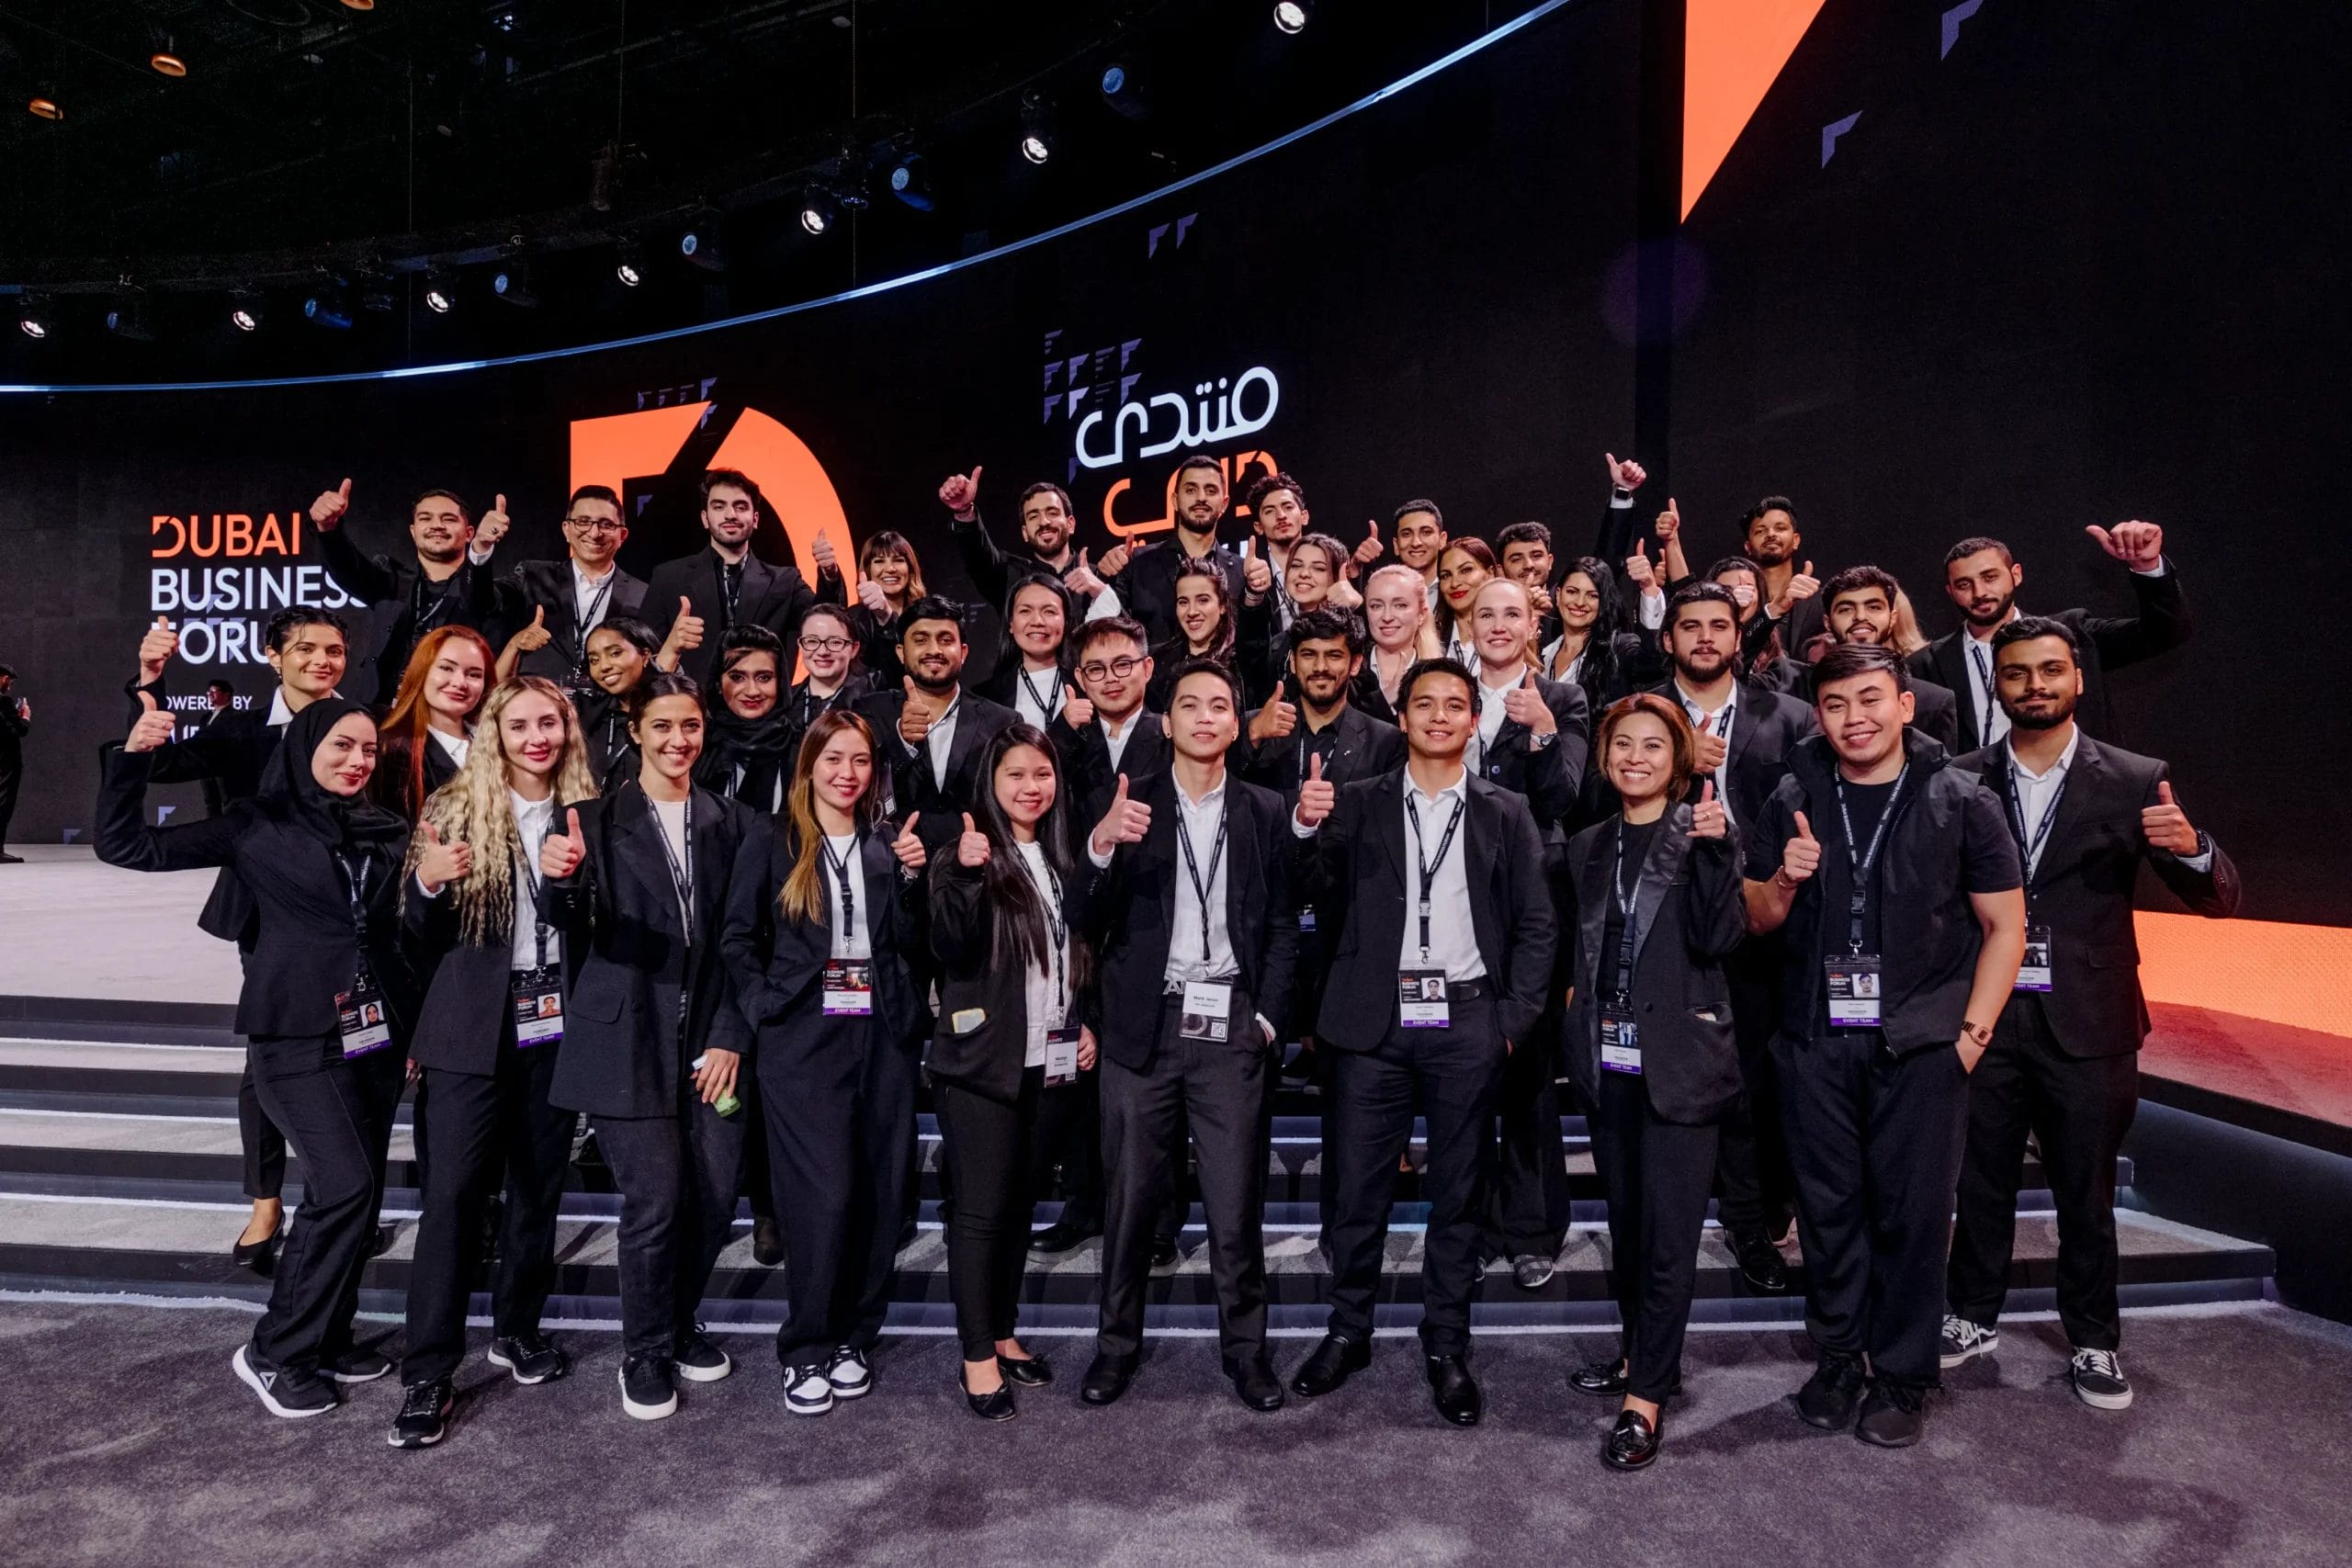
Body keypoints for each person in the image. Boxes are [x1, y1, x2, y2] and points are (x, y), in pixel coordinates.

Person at [1940, 618, 2240, 1410]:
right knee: (1979, 1183)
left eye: (2049, 670)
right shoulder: (1960, 777)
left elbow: (2219, 898)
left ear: (2077, 679)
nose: (2033, 685)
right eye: (2016, 673)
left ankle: (2094, 1339)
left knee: (2086, 1194)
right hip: (1986, 1013)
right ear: (1996, 685)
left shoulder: (2137, 777)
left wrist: (2192, 847)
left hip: (2091, 1020)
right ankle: (1971, 1315)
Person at [1741, 643, 2026, 1447]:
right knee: (1828, 1212)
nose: (1853, 718)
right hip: (1815, 1038)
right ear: (1819, 715)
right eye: (1835, 705)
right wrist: (1785, 878)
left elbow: (2006, 925)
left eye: (1869, 699)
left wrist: (1970, 1037)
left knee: (1915, 1215)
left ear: (1904, 705)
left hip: (1923, 1045)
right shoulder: (1794, 793)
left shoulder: (1960, 797)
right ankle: (1838, 1357)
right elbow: (1755, 914)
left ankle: (1902, 1373)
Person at [98, 695, 414, 1417]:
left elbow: (394, 933)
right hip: (296, 1038)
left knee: (358, 1197)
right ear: (305, 747)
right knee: (345, 1187)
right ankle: (276, 1350)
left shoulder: (386, 828)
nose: (357, 761)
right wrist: (133, 761)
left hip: (374, 1033)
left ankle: (330, 1334)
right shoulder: (256, 824)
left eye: (368, 750)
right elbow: (128, 846)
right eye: (341, 746)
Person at [1287, 659, 1555, 1426]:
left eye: (1455, 705)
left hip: (1469, 1022)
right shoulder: (1356, 799)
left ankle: (1446, 1343)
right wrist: (1303, 825)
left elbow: (1538, 924)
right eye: (1424, 704)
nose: (1439, 715)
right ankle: (1348, 1330)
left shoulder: (1506, 810)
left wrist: (1511, 1024)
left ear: (1474, 720)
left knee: (1459, 1194)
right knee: (1358, 1191)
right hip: (1371, 1025)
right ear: (1401, 718)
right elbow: (1309, 890)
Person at [535, 671, 760, 1424]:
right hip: (626, 1036)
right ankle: (645, 1349)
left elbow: (746, 940)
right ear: (634, 731)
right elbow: (567, 917)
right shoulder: (589, 820)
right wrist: (562, 882)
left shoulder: (736, 822)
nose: (677, 739)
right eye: (661, 725)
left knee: (716, 1196)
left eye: (690, 725)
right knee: (656, 1199)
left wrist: (730, 1034)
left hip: (712, 1038)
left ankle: (679, 1317)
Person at [1078, 660, 1298, 1411]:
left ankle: (1247, 1354)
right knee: (1129, 1203)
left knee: (1235, 1205)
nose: (1205, 717)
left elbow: (1281, 924)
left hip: (1229, 1023)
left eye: (1219, 706)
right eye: (1189, 706)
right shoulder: (1127, 802)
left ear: (1236, 724)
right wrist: (1101, 844)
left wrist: (1266, 1017)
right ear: (1165, 722)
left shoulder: (1264, 807)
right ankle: (1115, 1348)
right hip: (1143, 1026)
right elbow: (1081, 915)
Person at [388, 677, 599, 1448]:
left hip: (555, 1027)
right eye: (520, 725)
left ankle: (516, 1329)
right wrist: (427, 884)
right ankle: (428, 1371)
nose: (537, 737)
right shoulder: (453, 809)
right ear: (495, 735)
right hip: (469, 1033)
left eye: (550, 722)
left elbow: (598, 928)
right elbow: (414, 937)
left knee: (538, 1191)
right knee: (451, 1201)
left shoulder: (590, 812)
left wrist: (576, 884)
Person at [130, 608, 354, 1270]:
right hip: (267, 918)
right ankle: (266, 1200)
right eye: (305, 648)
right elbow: (161, 762)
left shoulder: (365, 723)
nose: (321, 661)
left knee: (351, 1056)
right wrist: (149, 680)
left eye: (334, 650)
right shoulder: (239, 729)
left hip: (354, 915)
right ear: (271, 656)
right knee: (269, 1058)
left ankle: (340, 1197)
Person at [721, 711, 928, 1415]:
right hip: (803, 1038)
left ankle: (853, 1337)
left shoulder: (886, 842)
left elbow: (913, 943)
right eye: (834, 758)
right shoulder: (772, 838)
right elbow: (737, 938)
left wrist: (911, 881)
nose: (848, 773)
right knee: (824, 1195)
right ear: (808, 764)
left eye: (861, 760)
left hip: (885, 1034)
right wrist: (765, 1006)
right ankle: (806, 1344)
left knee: (880, 1194)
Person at [1559, 694, 1745, 1470]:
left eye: (1653, 746)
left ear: (1679, 761)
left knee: (1669, 1237)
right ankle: (1641, 1355)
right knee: (1631, 1228)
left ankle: (1647, 1399)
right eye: (1623, 745)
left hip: (1682, 1062)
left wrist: (1717, 851)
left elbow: (1719, 936)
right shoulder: (1588, 843)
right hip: (1610, 1062)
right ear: (1605, 758)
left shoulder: (1701, 832)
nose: (1636, 757)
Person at [1641, 582, 1818, 1287]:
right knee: (1674, 1081)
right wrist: (1681, 768)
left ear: (1739, 637)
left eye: (1720, 625)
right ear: (1668, 639)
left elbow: (1809, 816)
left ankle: (1755, 1223)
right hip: (1666, 921)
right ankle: (1665, 1232)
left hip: (1762, 921)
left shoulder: (1792, 714)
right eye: (1691, 626)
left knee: (1753, 1084)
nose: (1706, 637)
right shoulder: (1641, 713)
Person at [926, 726, 1096, 1418]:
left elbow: (1071, 952)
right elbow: (949, 945)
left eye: (1042, 774)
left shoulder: (1059, 854)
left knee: (1021, 1207)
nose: (1031, 787)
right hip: (980, 1065)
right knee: (980, 1213)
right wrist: (967, 874)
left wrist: (1082, 1021)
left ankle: (1002, 1331)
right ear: (990, 784)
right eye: (1016, 775)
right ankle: (976, 1355)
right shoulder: (965, 852)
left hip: (1048, 1062)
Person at [1461, 579, 1589, 1286]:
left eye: (1512, 612)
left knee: (1530, 1069)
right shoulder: (1448, 690)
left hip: (1534, 900)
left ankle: (1534, 1228)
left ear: (1533, 623)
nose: (1499, 624)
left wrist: (1542, 731)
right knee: (1465, 1070)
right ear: (1467, 621)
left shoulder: (1563, 697)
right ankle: (1475, 1225)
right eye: (1486, 613)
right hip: (1457, 900)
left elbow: (1564, 797)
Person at [1239, 609, 1406, 1145]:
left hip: (1343, 926)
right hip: (1264, 921)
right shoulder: (1257, 727)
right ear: (1291, 662)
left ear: (1355, 663)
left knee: (1349, 1094)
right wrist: (1251, 737)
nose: (1320, 666)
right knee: (1249, 1088)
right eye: (1308, 655)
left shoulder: (1383, 740)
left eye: (1334, 655)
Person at [1916, 524, 2191, 752]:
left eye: (1990, 577)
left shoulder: (2072, 634)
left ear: (2016, 575)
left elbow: (2164, 632)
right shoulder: (1926, 665)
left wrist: (2147, 567)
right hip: (1974, 796)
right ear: (1950, 592)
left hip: (2076, 792)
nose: (1979, 593)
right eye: (1964, 584)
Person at [308, 479, 507, 706]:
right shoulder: (391, 581)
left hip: (454, 711)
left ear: (469, 533)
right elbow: (348, 569)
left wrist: (481, 548)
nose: (437, 525)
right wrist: (329, 529)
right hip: (385, 713)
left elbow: (479, 598)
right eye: (425, 518)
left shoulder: (488, 592)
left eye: (449, 519)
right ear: (413, 531)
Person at [645, 468, 844, 685]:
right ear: (705, 518)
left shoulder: (785, 581)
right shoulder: (669, 578)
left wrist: (830, 574)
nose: (731, 515)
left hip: (762, 702)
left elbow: (828, 623)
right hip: (693, 703)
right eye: (719, 507)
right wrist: (672, 645)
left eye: (740, 507)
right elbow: (642, 654)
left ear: (755, 519)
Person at [854, 596, 1019, 856]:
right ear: (901, 652)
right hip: (893, 862)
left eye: (945, 640)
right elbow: (861, 786)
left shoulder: (1002, 721)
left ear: (963, 652)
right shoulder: (871, 711)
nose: (934, 650)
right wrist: (903, 741)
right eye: (921, 640)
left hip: (975, 865)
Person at [1751, 567, 1961, 750]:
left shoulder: (1933, 701)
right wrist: (1773, 611)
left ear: (1892, 618)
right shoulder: (1790, 681)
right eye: (1846, 609)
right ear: (1827, 622)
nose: (1860, 617)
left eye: (1874, 607)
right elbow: (1734, 678)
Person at [496, 484, 650, 690]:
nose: (594, 533)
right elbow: (483, 601)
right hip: (539, 701)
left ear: (622, 535)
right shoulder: (531, 576)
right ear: (566, 530)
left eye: (606, 524)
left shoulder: (643, 594)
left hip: (609, 707)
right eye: (583, 522)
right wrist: (482, 550)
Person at [1095, 457, 1248, 649]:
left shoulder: (1241, 571)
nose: (1201, 498)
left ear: (1224, 503)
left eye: (1210, 490)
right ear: (1175, 500)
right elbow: (1109, 630)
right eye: (1191, 490)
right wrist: (1104, 578)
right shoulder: (1136, 563)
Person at [938, 468, 1125, 619]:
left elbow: (1130, 637)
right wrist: (964, 512)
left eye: (1052, 513)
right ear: (1025, 533)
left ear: (1070, 524)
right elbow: (977, 555)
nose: (1044, 522)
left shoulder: (1100, 577)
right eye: (1034, 516)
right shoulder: (1008, 576)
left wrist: (1099, 591)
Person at [372, 627, 494, 820]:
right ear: (422, 671)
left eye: (474, 674)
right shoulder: (392, 749)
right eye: (446, 668)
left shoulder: (497, 744)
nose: (460, 683)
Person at [696, 625, 799, 816]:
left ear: (780, 682)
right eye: (737, 677)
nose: (752, 691)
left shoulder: (801, 749)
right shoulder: (697, 744)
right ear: (718, 683)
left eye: (764, 677)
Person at [1538, 555, 1656, 711]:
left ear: (1603, 602)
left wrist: (1649, 588)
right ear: (1558, 596)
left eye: (1592, 596)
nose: (1580, 602)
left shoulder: (1618, 649)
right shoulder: (1543, 653)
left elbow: (1652, 665)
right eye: (1572, 592)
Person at [978, 572, 1082, 731]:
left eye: (1049, 611)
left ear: (1066, 622)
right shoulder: (986, 697)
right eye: (1025, 611)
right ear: (1011, 624)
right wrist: (1064, 727)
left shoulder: (1087, 684)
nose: (1037, 621)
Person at [578, 616, 663, 790]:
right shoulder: (589, 717)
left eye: (615, 653)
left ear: (645, 655)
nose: (604, 666)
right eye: (594, 660)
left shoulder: (671, 713)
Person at [1349, 563, 1442, 723]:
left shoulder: (1441, 676)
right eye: (1376, 606)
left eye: (1400, 605)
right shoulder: (1347, 674)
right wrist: (1385, 698)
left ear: (1422, 614)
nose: (1387, 617)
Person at [1145, 560, 1241, 711]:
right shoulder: (1157, 660)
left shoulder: (1240, 661)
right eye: (1183, 602)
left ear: (1222, 605)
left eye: (1203, 600)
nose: (1192, 612)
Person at [845, 530, 927, 689]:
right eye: (879, 561)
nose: (890, 568)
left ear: (910, 568)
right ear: (868, 570)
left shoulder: (926, 615)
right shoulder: (853, 619)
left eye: (899, 560)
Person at [779, 603, 876, 735]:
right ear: (801, 645)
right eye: (812, 641)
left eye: (835, 642)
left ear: (854, 649)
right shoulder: (782, 702)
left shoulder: (871, 699)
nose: (823, 652)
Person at [1246, 471, 1315, 630]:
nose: (1281, 516)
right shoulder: (1251, 579)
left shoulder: (1329, 567)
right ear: (1258, 527)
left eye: (1288, 507)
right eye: (1269, 511)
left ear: (1304, 516)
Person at [1433, 538, 1498, 667]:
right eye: (1446, 575)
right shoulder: (1431, 637)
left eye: (1466, 570)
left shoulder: (1508, 631)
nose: (1454, 583)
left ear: (1490, 574)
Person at [0, 663, 24, 862]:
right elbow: (17, 731)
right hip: (6, 763)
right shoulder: (4, 702)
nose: (10, 686)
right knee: (4, 803)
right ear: (4, 678)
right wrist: (25, 717)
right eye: (10, 682)